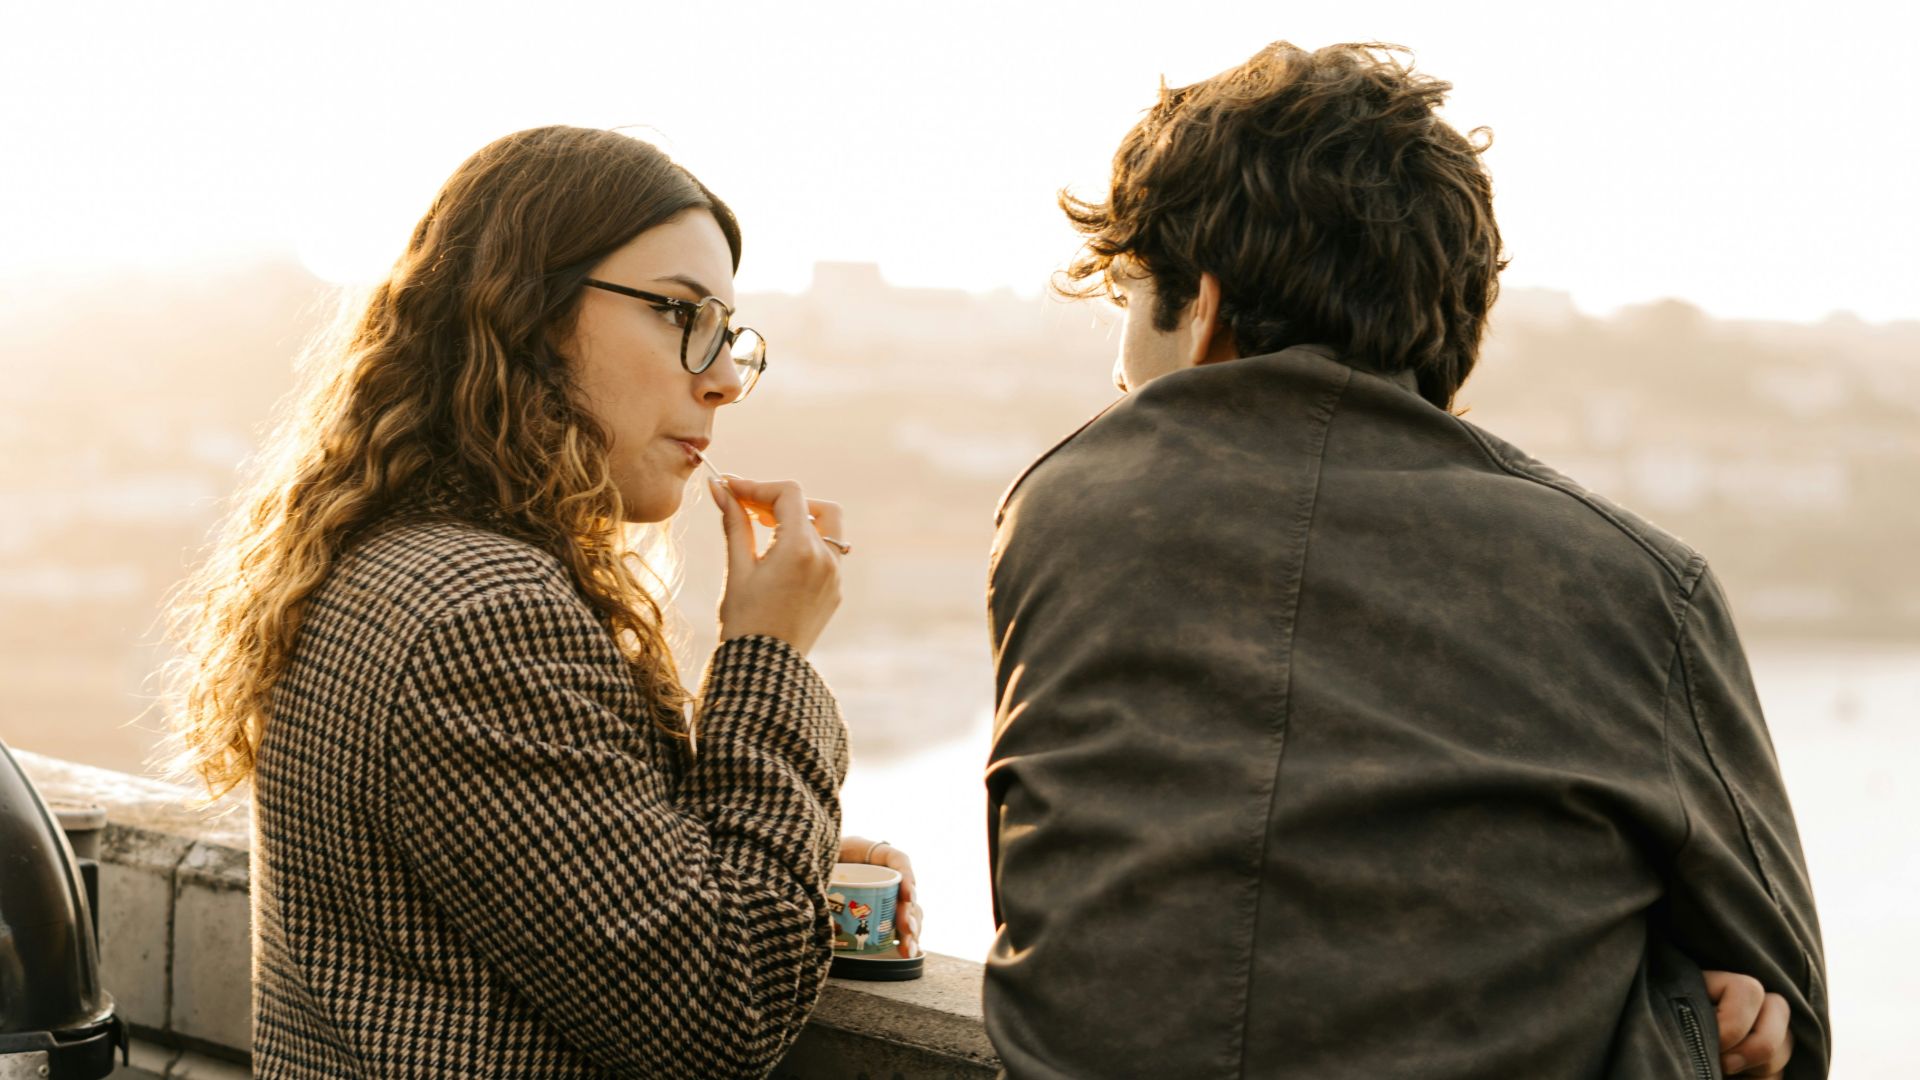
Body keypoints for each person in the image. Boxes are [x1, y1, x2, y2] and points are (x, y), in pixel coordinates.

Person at [985, 42, 1827, 1079]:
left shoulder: (1060, 510)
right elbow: (1790, 1010)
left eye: (1124, 298)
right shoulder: (1638, 585)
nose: (1118, 371)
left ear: (1198, 310)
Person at [162, 125, 918, 1079]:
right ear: (526, 313)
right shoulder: (485, 613)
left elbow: (537, 865)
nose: (724, 380)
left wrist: (778, 853)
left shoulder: (387, 556)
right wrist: (770, 655)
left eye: (727, 335)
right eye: (680, 314)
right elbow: (720, 1020)